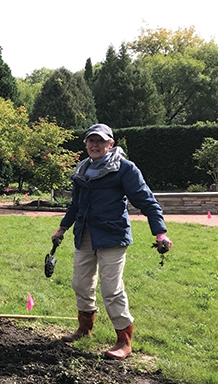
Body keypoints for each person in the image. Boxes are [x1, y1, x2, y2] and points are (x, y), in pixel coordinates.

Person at [52, 123, 172, 360]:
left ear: (111, 144)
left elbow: (146, 200)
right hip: (85, 233)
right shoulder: (82, 170)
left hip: (112, 235)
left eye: (100, 141)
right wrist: (62, 228)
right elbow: (75, 205)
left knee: (111, 288)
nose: (94, 145)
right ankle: (85, 329)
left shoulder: (125, 169)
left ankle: (124, 340)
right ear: (86, 144)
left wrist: (160, 233)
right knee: (80, 283)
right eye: (91, 141)